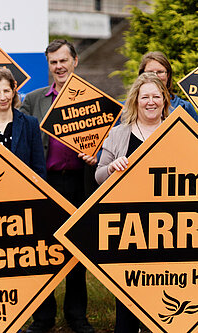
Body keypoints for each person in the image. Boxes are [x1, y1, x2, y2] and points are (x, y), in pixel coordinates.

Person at [20, 40, 96, 333]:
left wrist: (96, 155)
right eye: (53, 62)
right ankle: (43, 318)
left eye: (64, 60)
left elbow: (107, 145)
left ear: (75, 61)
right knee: (43, 251)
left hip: (80, 184)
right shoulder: (34, 100)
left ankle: (77, 316)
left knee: (76, 250)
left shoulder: (92, 100)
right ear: (48, 66)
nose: (59, 67)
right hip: (45, 185)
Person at [95, 72, 169, 332]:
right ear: (135, 100)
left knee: (164, 294)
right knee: (127, 294)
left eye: (156, 96)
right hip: (129, 228)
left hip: (168, 229)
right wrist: (111, 168)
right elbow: (98, 176)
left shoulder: (177, 132)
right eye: (145, 96)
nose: (151, 102)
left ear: (164, 99)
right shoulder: (118, 134)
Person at [0, 67, 46, 179]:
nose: (2, 97)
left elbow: (39, 169)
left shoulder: (30, 124)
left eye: (6, 91)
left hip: (25, 193)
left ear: (13, 92)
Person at [138, 51, 197, 120]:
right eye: (149, 72)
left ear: (168, 75)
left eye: (160, 72)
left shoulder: (184, 107)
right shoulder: (126, 108)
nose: (155, 76)